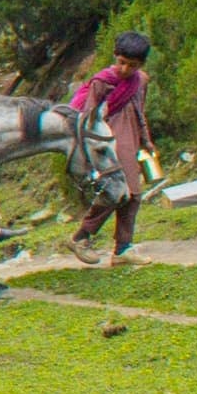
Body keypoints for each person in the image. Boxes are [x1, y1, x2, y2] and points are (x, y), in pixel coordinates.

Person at [67, 30, 151, 263]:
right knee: (119, 192)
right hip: (110, 141)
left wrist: (146, 141)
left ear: (141, 64)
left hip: (131, 139)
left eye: (131, 65)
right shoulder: (103, 82)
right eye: (121, 63)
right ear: (115, 56)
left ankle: (122, 248)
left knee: (132, 195)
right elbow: (89, 116)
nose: (125, 70)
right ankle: (82, 237)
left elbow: (140, 111)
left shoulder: (140, 81)